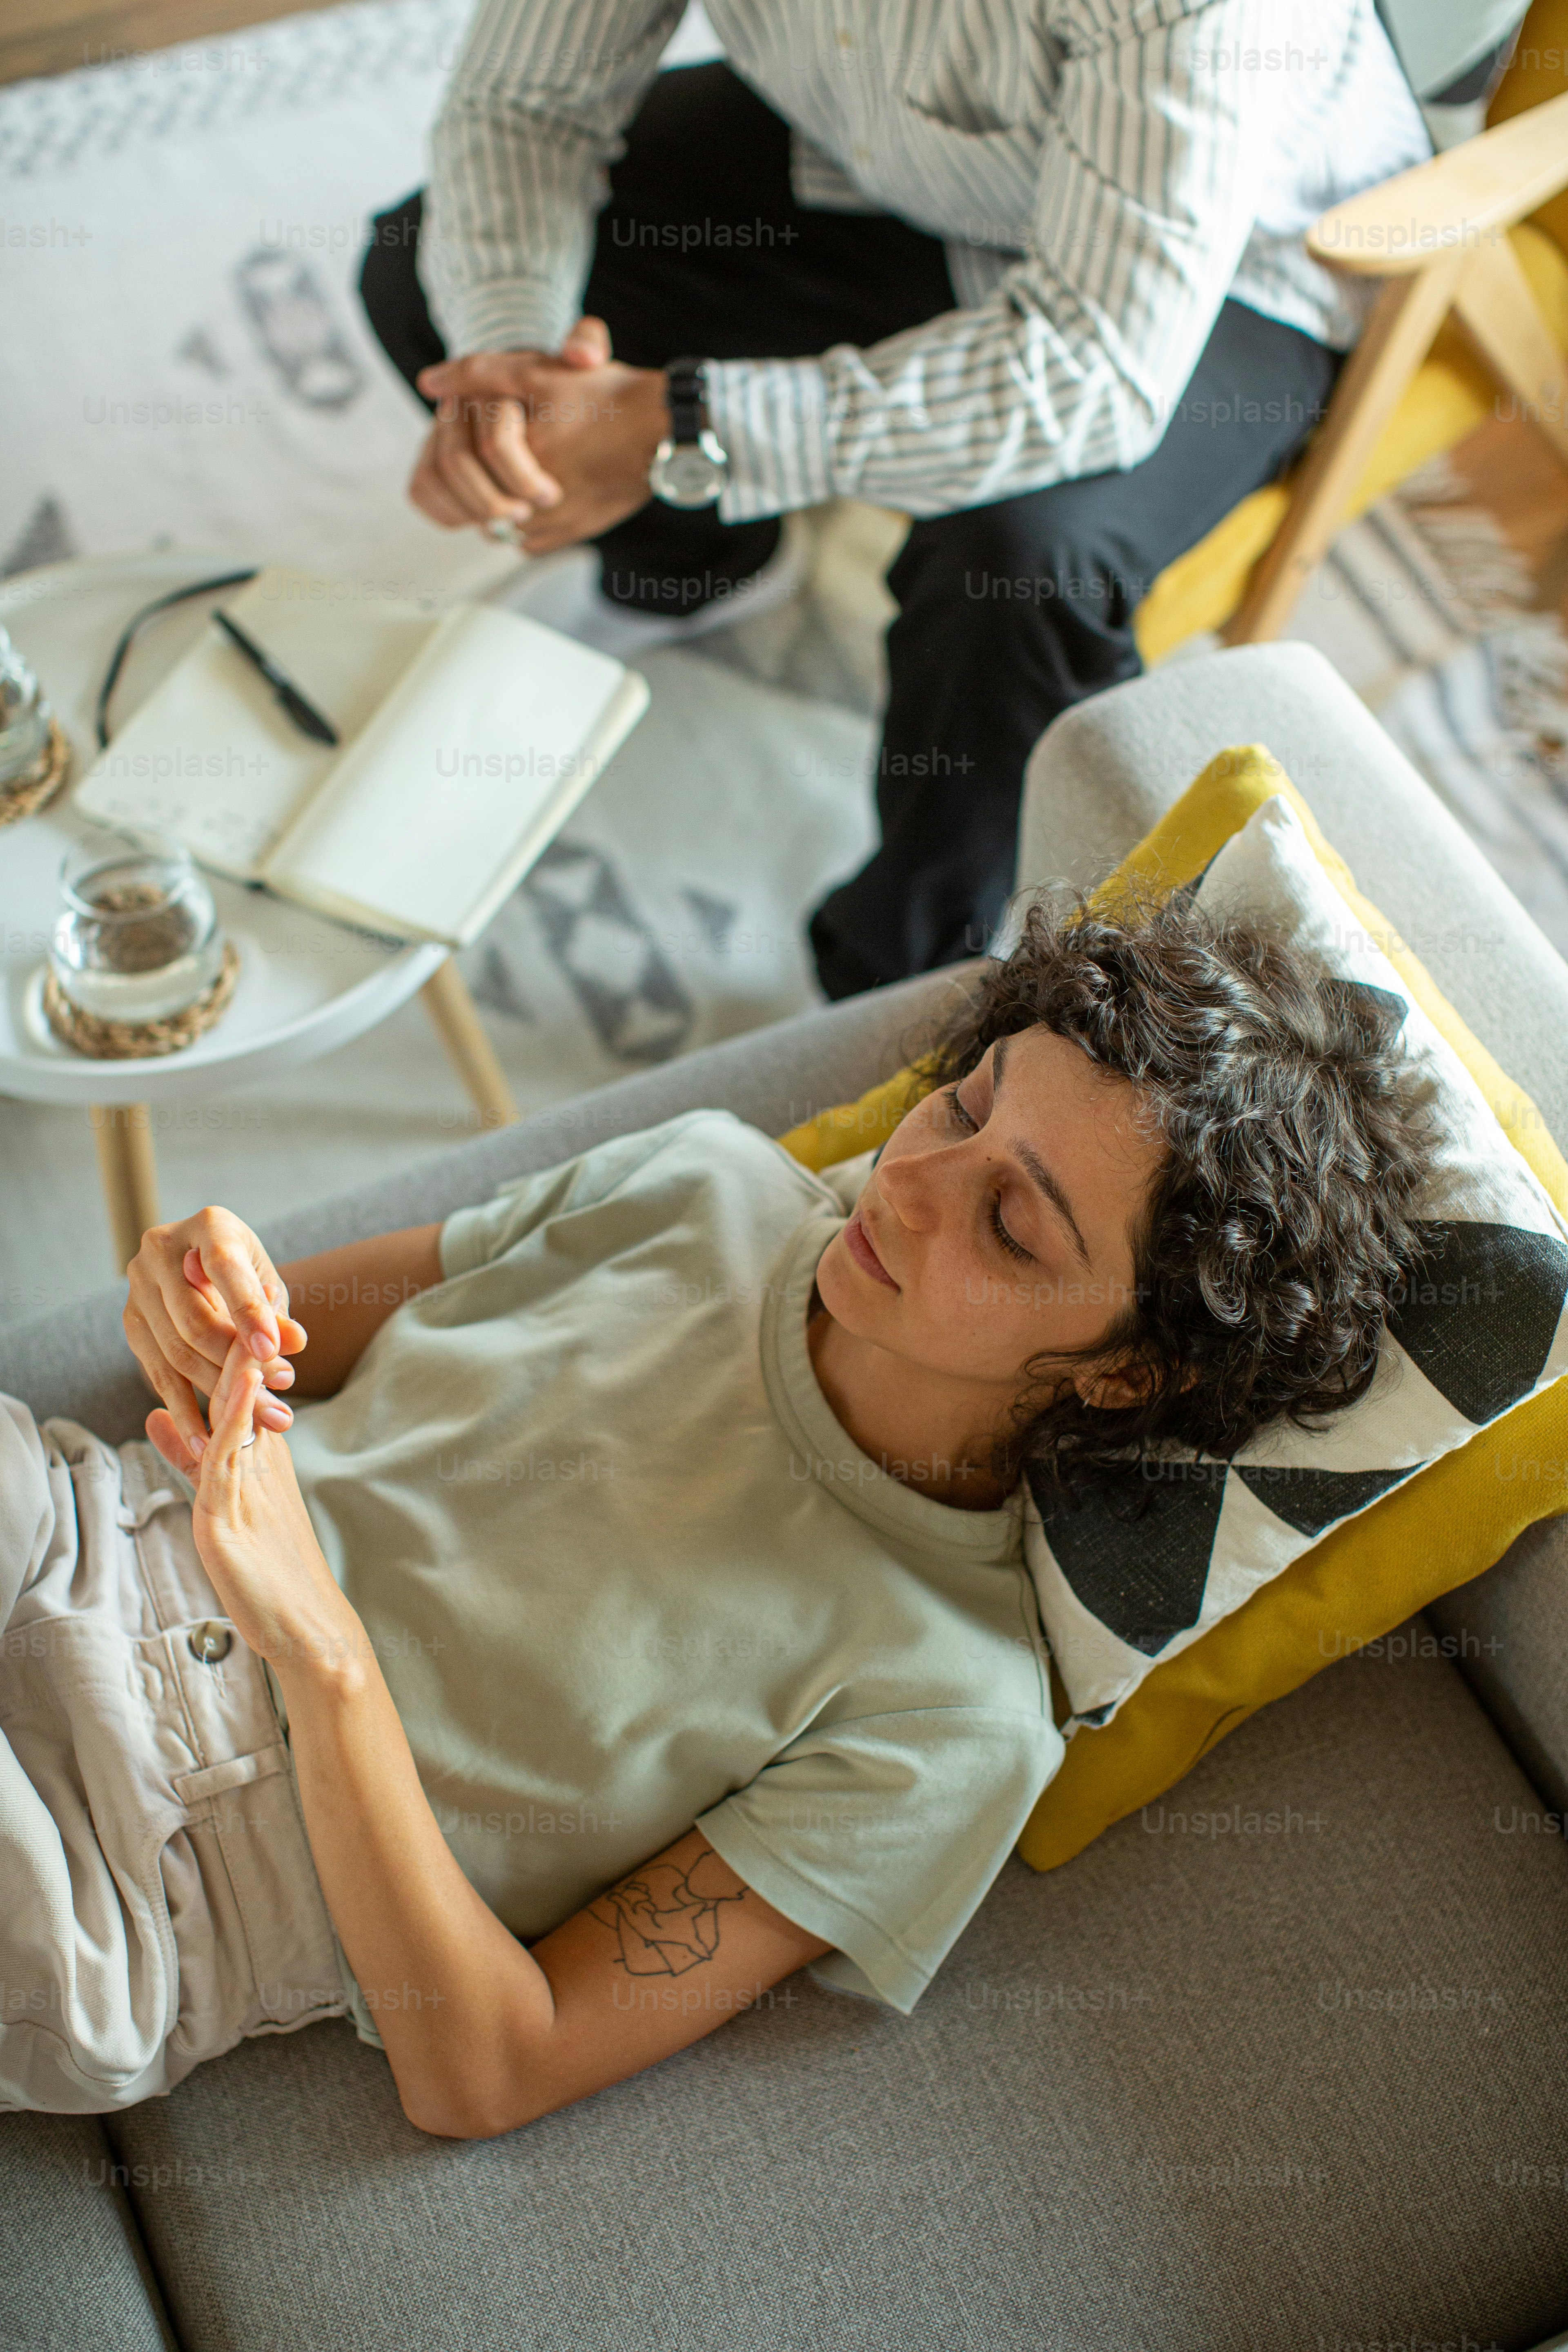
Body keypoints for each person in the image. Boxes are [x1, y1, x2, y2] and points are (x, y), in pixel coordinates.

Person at [0, 893, 1433, 2127]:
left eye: (1013, 1221)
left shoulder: (954, 1719)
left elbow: (485, 2067)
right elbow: (273, 1333)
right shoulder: (707, 1178)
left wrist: (327, 1659)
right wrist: (193, 1280)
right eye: (968, 1100)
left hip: (138, 1884)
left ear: (1124, 1373)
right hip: (71, 1521)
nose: (913, 1182)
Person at [358, 0, 1428, 997]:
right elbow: (522, 107)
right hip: (892, 166)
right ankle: (695, 559)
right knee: (423, 268)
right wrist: (520, 368)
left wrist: (682, 428)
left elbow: (1092, 375)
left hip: (1229, 250)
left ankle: (905, 975)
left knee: (1019, 560)